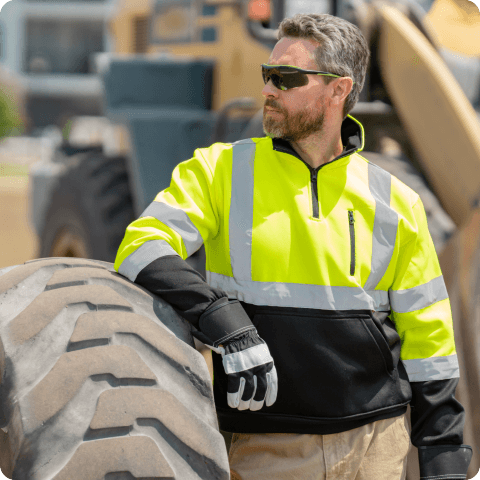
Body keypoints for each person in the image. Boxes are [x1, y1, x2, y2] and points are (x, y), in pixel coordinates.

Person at [113, 13, 472, 480]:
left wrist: (442, 452)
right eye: (267, 75)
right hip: (263, 448)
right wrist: (224, 322)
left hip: (378, 449)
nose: (267, 90)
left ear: (338, 90)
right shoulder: (221, 170)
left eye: (285, 78)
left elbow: (429, 335)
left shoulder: (395, 199)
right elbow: (140, 247)